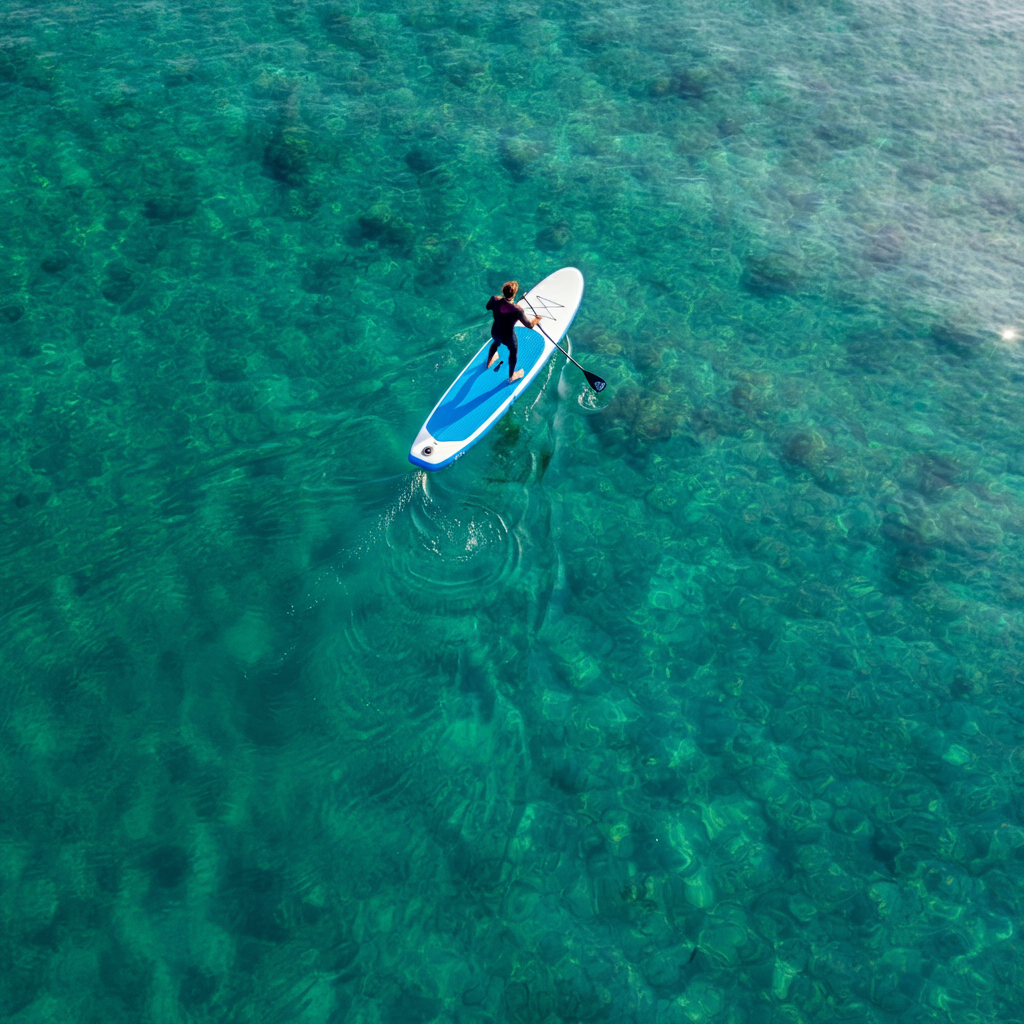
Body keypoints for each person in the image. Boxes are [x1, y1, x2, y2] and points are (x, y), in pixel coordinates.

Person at [486, 280, 541, 383]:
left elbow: (488, 307)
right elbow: (529, 325)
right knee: (513, 352)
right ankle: (511, 376)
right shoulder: (517, 310)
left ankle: (489, 362)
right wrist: (536, 320)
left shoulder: (494, 300)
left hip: (495, 332)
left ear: (503, 290)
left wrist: (498, 304)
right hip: (508, 337)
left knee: (495, 344)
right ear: (514, 294)